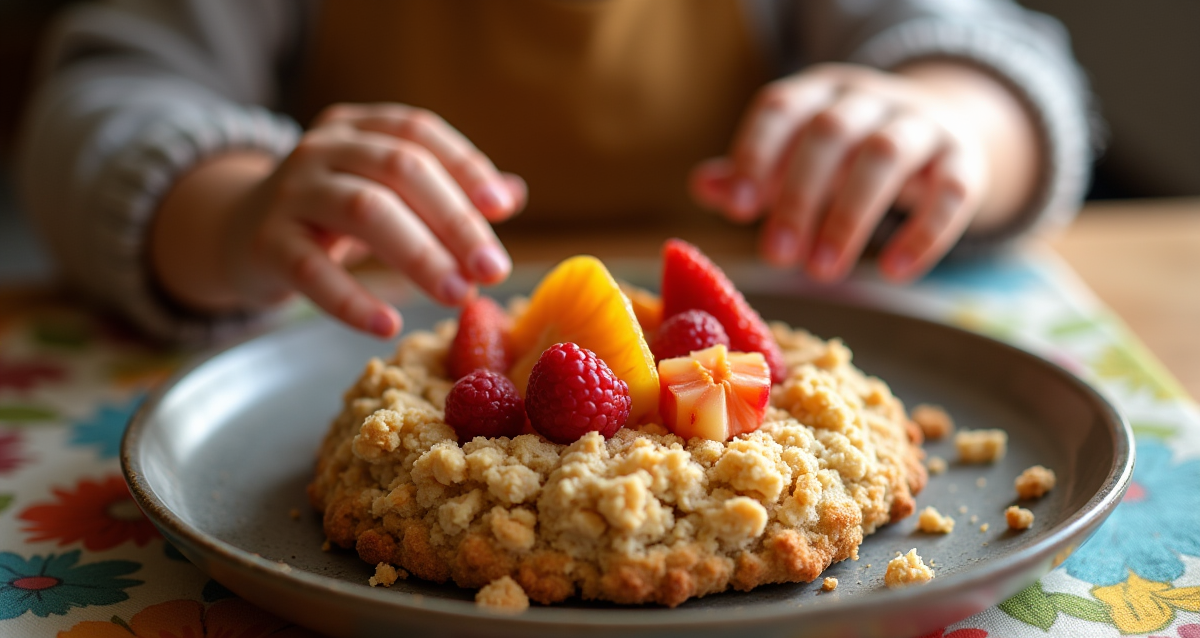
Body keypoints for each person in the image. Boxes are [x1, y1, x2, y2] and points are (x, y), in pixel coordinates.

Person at [17, 0, 1093, 343]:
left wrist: (946, 117)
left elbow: (996, 61)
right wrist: (237, 216)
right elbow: (99, 109)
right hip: (356, 330)